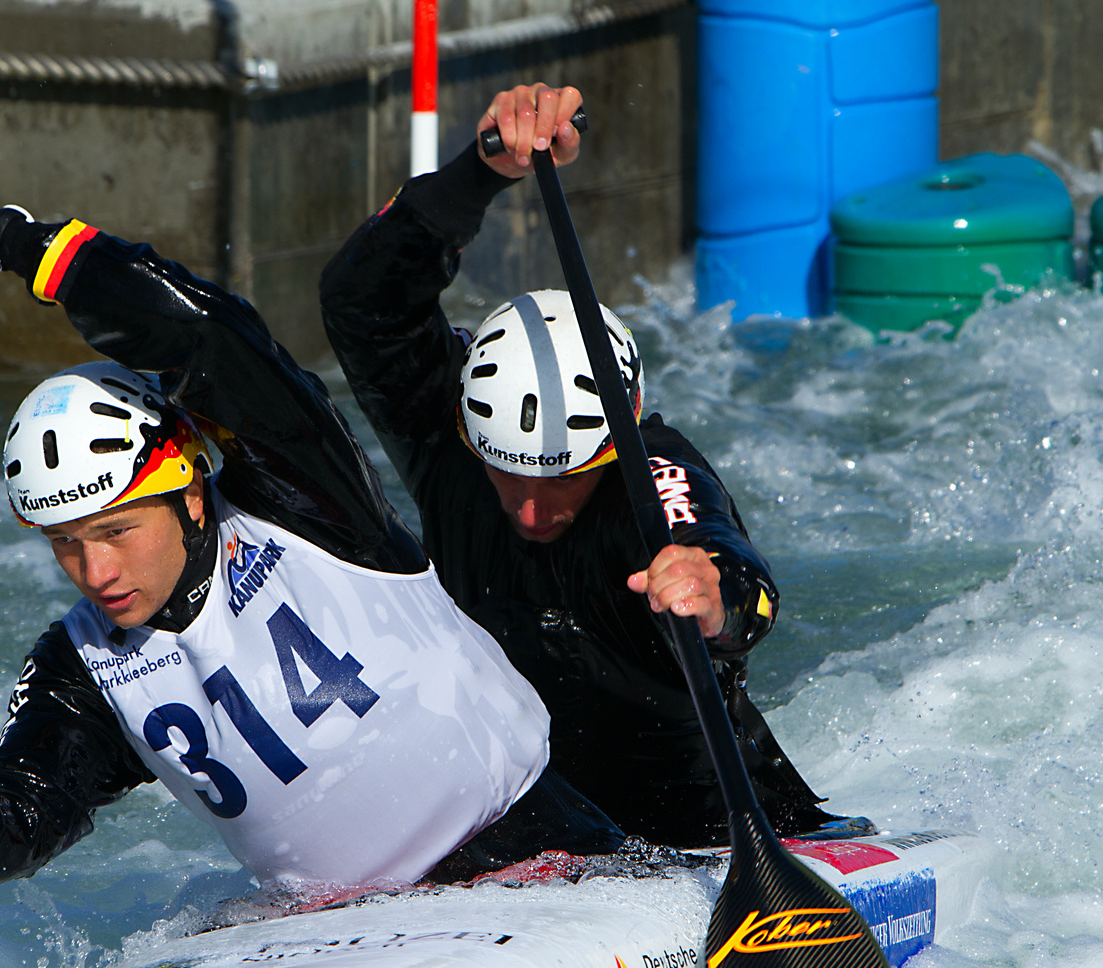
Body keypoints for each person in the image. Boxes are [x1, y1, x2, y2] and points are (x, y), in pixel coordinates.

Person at [0, 167, 622, 905]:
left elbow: (205, 335)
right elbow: (18, 811)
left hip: (539, 855)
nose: (93, 570)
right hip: (345, 937)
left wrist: (2, 236)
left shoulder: (304, 498)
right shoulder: (88, 666)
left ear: (186, 492)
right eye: (62, 542)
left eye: (114, 529)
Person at [319, 84, 836, 848]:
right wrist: (485, 168)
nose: (529, 512)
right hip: (530, 830)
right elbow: (364, 299)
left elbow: (744, 590)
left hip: (707, 834)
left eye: (559, 480)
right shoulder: (450, 427)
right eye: (506, 475)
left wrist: (714, 597)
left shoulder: (650, 472)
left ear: (620, 429)